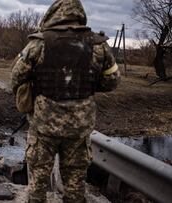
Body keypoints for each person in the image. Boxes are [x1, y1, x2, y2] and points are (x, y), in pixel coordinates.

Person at [11, 0, 120, 202]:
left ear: (53, 15)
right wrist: (83, 84)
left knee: (38, 182)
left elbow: (16, 77)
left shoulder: (39, 43)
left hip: (44, 126)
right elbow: (112, 82)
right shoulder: (99, 45)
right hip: (79, 128)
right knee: (75, 183)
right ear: (80, 15)